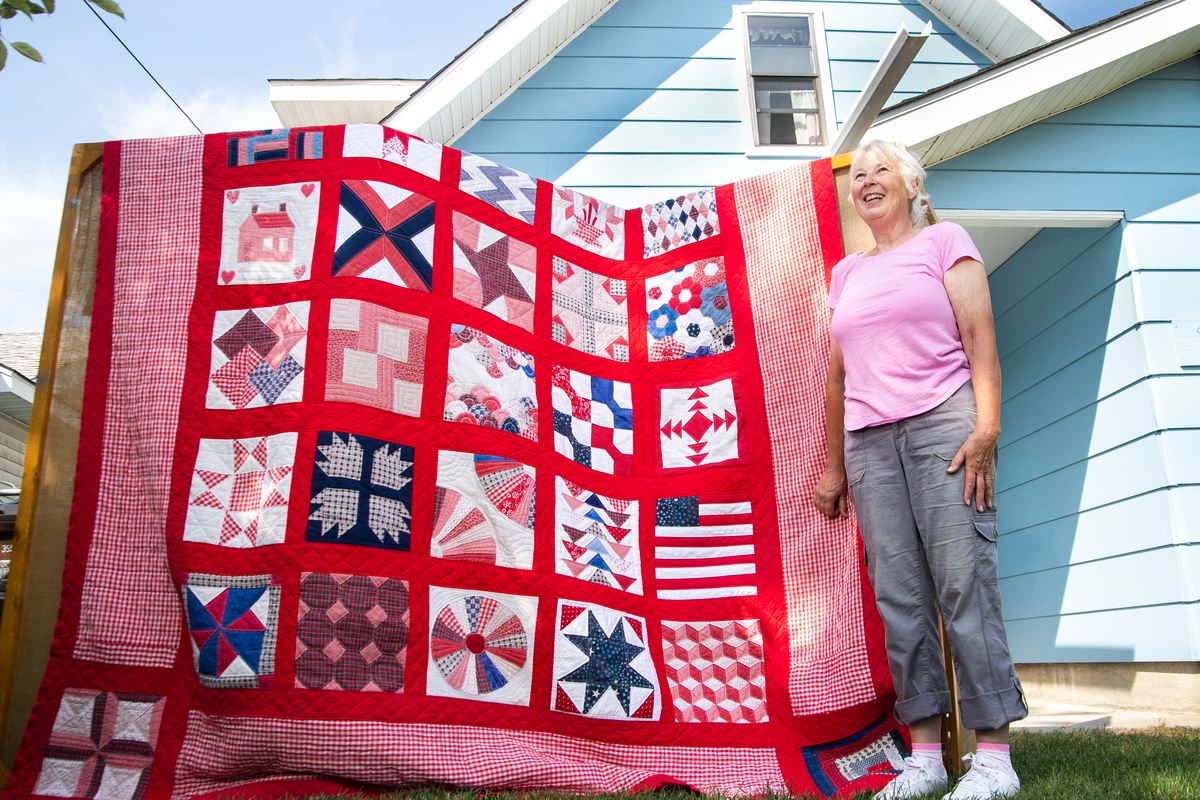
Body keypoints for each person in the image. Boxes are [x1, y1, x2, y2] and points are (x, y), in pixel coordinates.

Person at [814, 140, 1028, 800]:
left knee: (964, 585)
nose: (869, 180)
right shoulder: (847, 273)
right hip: (870, 445)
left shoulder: (945, 242)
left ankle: (993, 757)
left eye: (883, 170)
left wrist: (986, 428)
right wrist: (831, 467)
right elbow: (837, 376)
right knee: (899, 601)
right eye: (862, 175)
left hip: (944, 427)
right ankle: (927, 756)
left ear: (910, 186)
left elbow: (981, 338)